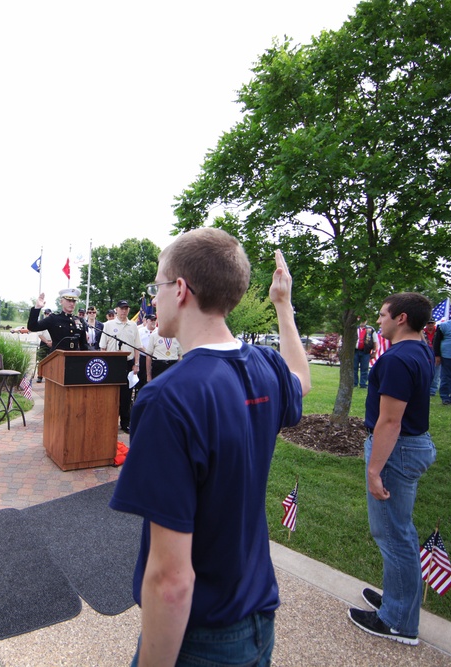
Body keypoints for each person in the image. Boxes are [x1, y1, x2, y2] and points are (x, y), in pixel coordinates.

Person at [110, 228, 310, 666]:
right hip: (258, 617)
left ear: (180, 289)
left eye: (157, 287)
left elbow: (170, 580)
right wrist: (283, 304)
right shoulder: (265, 366)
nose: (153, 298)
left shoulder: (169, 400)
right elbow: (303, 380)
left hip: (201, 640)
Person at [348, 292, 436, 646]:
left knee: (394, 534)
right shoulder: (420, 350)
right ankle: (397, 600)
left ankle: (398, 621)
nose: (378, 320)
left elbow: (389, 421)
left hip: (396, 451)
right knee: (400, 531)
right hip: (409, 447)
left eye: (383, 315)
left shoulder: (399, 359)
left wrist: (374, 470)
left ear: (401, 318)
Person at [101, 299, 143, 433]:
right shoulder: (108, 325)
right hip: (112, 362)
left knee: (126, 395)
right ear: (116, 310)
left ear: (128, 310)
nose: (124, 311)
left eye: (126, 308)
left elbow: (137, 346)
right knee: (111, 394)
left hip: (128, 362)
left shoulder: (133, 325)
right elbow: (103, 347)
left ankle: (125, 423)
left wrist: (136, 364)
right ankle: (110, 422)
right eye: (121, 308)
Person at [27, 289, 89, 353]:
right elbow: (32, 327)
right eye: (69, 300)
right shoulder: (54, 319)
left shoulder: (79, 321)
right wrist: (37, 308)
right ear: (61, 301)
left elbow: (83, 345)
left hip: (74, 358)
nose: (72, 303)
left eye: (74, 301)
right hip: (57, 358)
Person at [135, 314, 158, 395]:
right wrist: (148, 352)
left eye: (155, 319)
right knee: (142, 379)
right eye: (151, 320)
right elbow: (138, 344)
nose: (153, 321)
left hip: (155, 359)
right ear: (146, 321)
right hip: (143, 358)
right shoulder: (140, 331)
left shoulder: (158, 331)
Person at [353, 318, 376, 388]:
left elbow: (375, 341)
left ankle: (363, 383)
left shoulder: (370, 329)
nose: (362, 322)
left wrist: (374, 351)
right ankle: (354, 383)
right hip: (355, 351)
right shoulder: (354, 328)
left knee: (365, 368)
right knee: (354, 368)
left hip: (366, 351)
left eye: (364, 320)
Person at [423, 319, 439, 397]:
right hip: (425, 354)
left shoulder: (438, 332)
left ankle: (432, 391)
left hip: (435, 354)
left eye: (431, 323)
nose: (430, 325)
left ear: (434, 324)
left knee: (436, 373)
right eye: (428, 323)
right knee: (425, 372)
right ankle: (424, 389)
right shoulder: (422, 332)